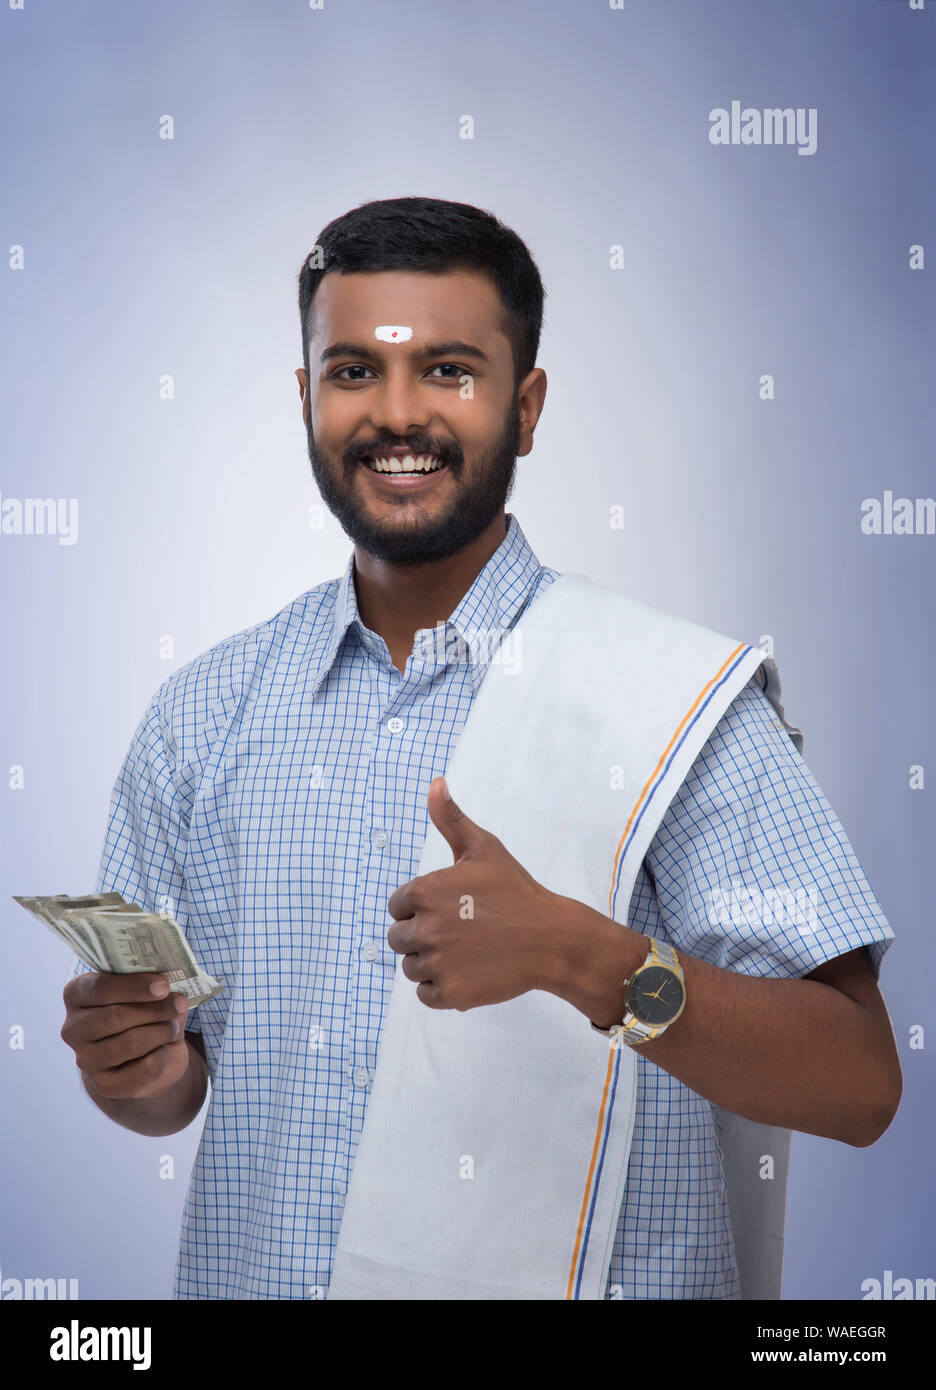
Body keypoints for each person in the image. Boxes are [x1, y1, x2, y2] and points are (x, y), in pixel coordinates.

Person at [61, 196, 900, 1300]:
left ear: (528, 404)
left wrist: (585, 959)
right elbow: (174, 1085)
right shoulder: (202, 713)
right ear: (306, 397)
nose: (397, 414)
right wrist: (138, 1069)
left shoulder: (670, 699)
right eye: (354, 371)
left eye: (450, 369)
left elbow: (859, 1082)